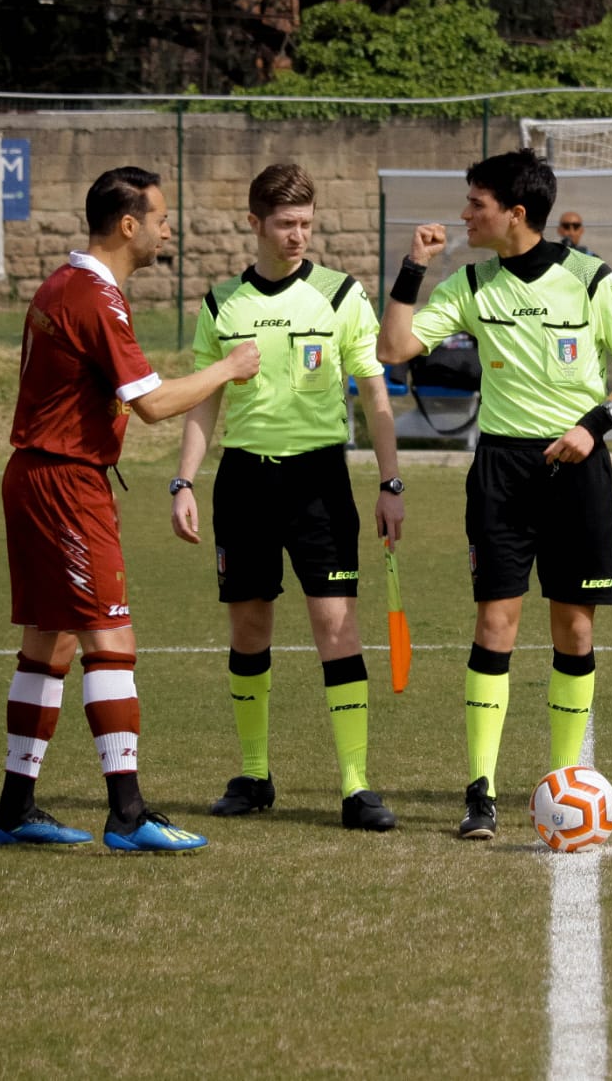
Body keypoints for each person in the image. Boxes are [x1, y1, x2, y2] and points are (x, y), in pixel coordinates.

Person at [377, 149, 612, 839]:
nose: (465, 214)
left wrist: (594, 426)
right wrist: (412, 267)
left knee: (576, 627)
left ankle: (567, 782)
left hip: (579, 469)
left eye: (476, 203)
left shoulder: (591, 278)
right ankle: (482, 790)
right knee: (495, 625)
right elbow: (395, 348)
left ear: (516, 212)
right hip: (503, 470)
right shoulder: (472, 283)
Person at [0, 165, 258, 853]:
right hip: (64, 484)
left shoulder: (65, 282)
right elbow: (151, 405)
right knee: (111, 640)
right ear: (129, 224)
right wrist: (229, 367)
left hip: (39, 475)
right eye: (162, 215)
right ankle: (129, 812)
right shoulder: (93, 296)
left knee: (46, 643)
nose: (171, 227)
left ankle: (16, 807)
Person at [172, 163, 404, 832]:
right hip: (244, 480)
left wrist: (390, 483)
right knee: (249, 626)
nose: (298, 235)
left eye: (306, 223)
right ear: (255, 223)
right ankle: (253, 773)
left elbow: (376, 394)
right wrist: (184, 480)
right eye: (285, 224)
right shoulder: (222, 304)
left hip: (319, 482)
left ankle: (356, 786)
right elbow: (203, 399)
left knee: (337, 625)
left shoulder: (340, 295)